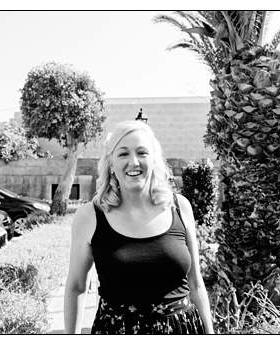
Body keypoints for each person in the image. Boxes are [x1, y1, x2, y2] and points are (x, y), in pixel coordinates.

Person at [63, 121, 213, 334]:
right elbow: (76, 287)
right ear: (111, 164)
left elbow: (196, 284)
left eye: (142, 153)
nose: (133, 162)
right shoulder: (90, 216)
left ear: (154, 160)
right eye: (123, 154)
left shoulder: (180, 207)